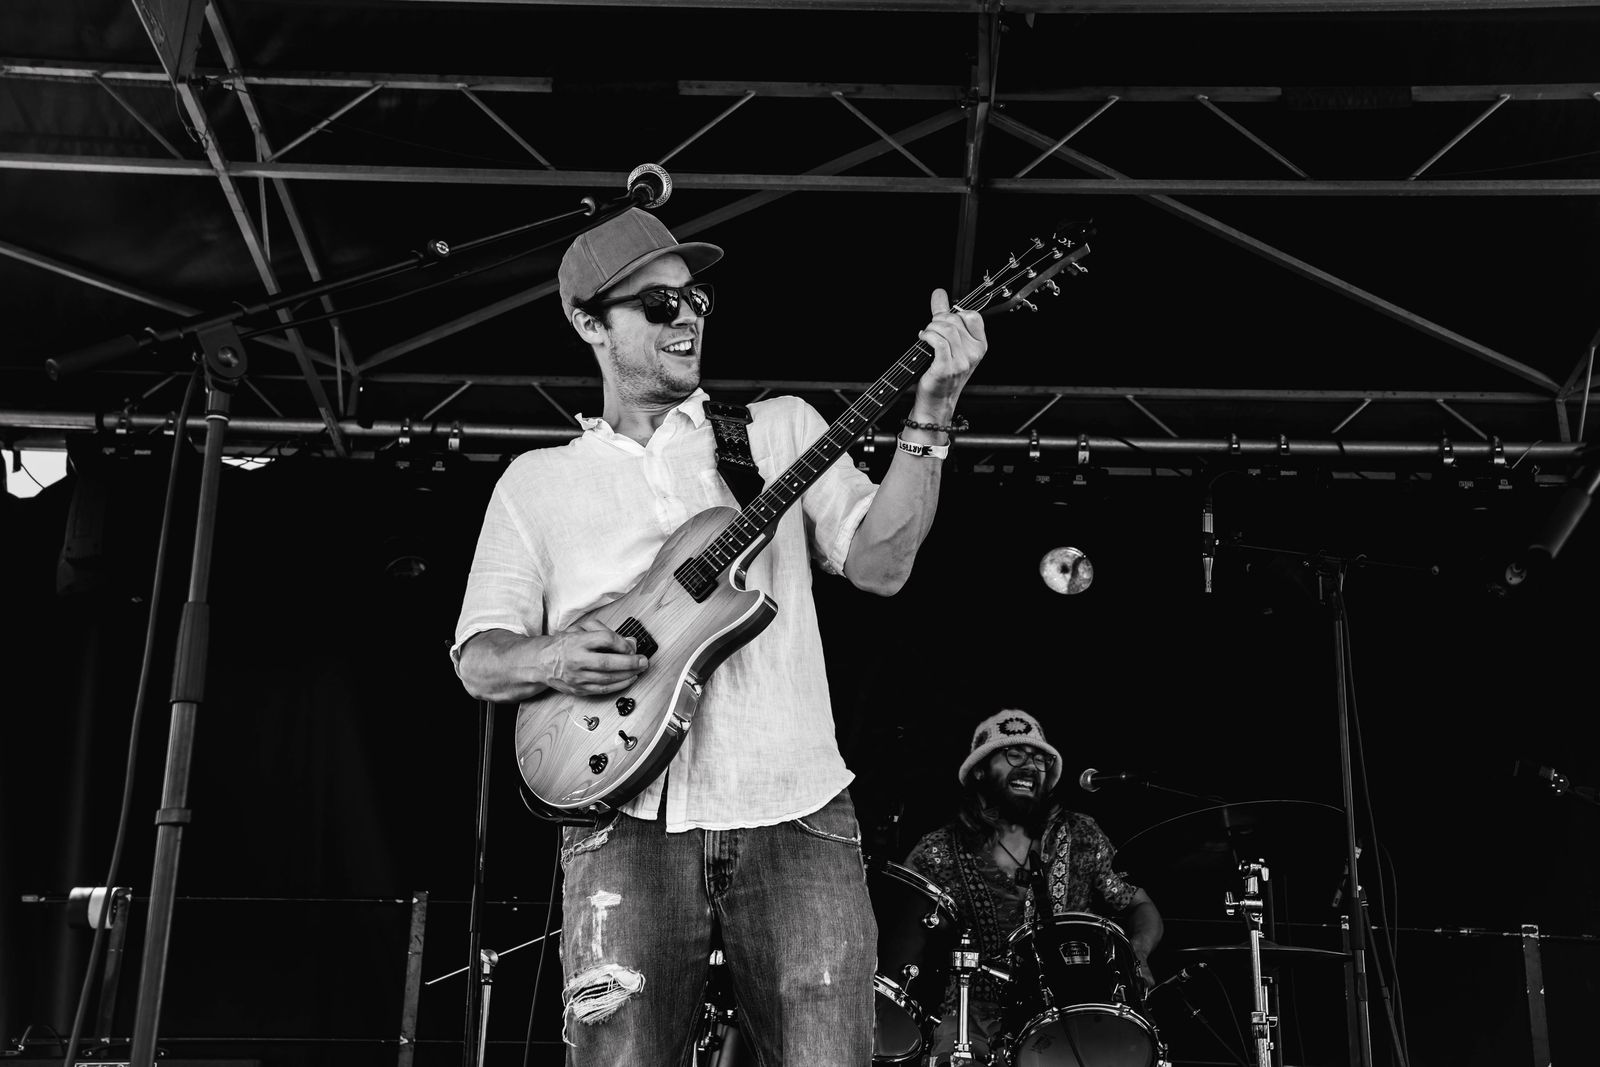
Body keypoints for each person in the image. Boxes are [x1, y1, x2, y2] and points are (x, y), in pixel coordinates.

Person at [450, 207, 987, 1065]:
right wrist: (555, 656)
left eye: (694, 298)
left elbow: (883, 566)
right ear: (590, 324)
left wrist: (931, 414)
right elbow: (480, 657)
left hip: (795, 805)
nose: (687, 316)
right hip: (622, 820)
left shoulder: (778, 431)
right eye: (657, 304)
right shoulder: (536, 483)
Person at [904, 709, 1164, 1065]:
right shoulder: (938, 850)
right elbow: (898, 924)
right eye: (1014, 755)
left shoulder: (1081, 834)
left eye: (1040, 759)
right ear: (980, 770)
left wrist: (1138, 956)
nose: (1029, 766)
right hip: (968, 1018)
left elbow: (1140, 905)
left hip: (1072, 1015)